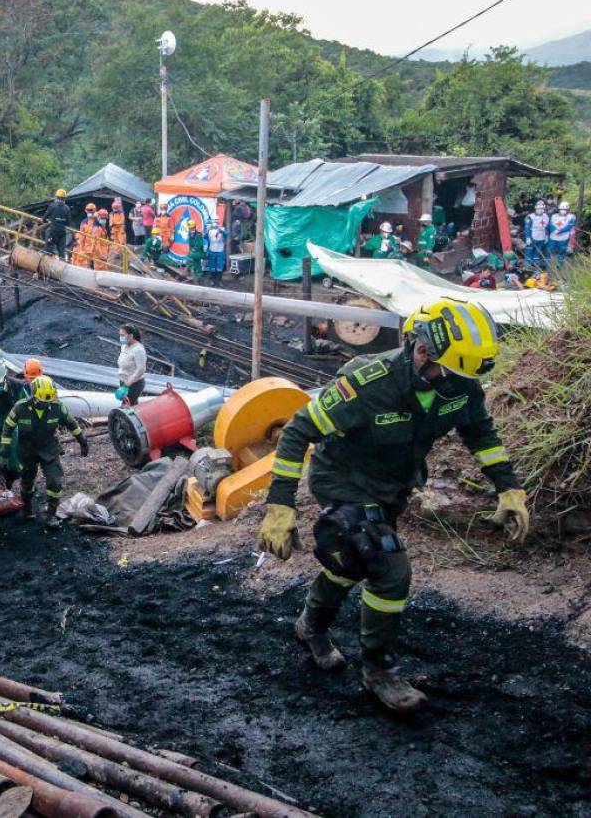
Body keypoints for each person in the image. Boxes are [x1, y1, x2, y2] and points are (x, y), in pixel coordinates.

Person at [257, 297, 528, 714]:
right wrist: (280, 506)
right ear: (421, 351)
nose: (456, 383)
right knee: (388, 567)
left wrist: (508, 489)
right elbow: (297, 432)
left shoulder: (459, 383)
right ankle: (379, 670)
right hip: (343, 481)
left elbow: (480, 432)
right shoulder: (368, 384)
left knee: (349, 564)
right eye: (448, 372)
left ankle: (309, 626)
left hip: (393, 487)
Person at [1, 375, 88, 528]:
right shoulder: (20, 407)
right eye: (42, 401)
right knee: (27, 481)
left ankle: (51, 515)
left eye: (48, 401)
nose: (45, 404)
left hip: (49, 449)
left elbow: (71, 423)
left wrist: (82, 441)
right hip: (27, 450)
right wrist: (5, 451)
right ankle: (27, 508)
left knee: (55, 481)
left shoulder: (57, 407)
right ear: (34, 395)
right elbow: (8, 427)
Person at [116, 325, 147, 405]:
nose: (120, 337)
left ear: (131, 336)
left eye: (122, 335)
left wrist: (129, 382)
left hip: (134, 383)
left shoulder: (138, 350)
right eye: (120, 335)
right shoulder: (124, 346)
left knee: (126, 406)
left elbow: (141, 369)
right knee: (132, 405)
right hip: (124, 380)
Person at [42, 189, 72, 261]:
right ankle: (62, 269)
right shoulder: (67, 208)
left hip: (53, 232)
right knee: (61, 252)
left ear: (56, 197)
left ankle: (45, 266)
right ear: (64, 198)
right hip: (62, 233)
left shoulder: (52, 206)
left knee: (48, 250)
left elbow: (44, 218)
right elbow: (68, 223)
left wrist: (50, 220)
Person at [548, 201, 575, 268]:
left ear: (568, 210)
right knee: (549, 249)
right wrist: (554, 230)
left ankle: (559, 264)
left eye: (565, 210)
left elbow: (569, 226)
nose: (563, 211)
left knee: (562, 251)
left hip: (564, 237)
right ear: (559, 209)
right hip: (553, 237)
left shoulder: (571, 217)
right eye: (561, 209)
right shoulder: (554, 216)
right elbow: (551, 224)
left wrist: (560, 231)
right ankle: (546, 263)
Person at [525, 200, 550, 266]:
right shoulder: (530, 217)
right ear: (535, 208)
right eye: (539, 208)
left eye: (542, 209)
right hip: (533, 236)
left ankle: (536, 264)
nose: (540, 210)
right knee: (529, 250)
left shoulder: (546, 217)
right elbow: (527, 228)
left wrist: (547, 235)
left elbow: (547, 227)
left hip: (542, 237)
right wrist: (528, 237)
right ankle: (528, 264)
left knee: (538, 251)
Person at [204, 220, 229, 285]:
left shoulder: (222, 229)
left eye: (217, 222)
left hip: (220, 251)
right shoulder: (209, 230)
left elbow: (227, 234)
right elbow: (204, 236)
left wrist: (221, 230)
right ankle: (212, 280)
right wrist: (207, 230)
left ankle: (219, 280)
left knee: (219, 267)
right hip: (212, 250)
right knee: (212, 266)